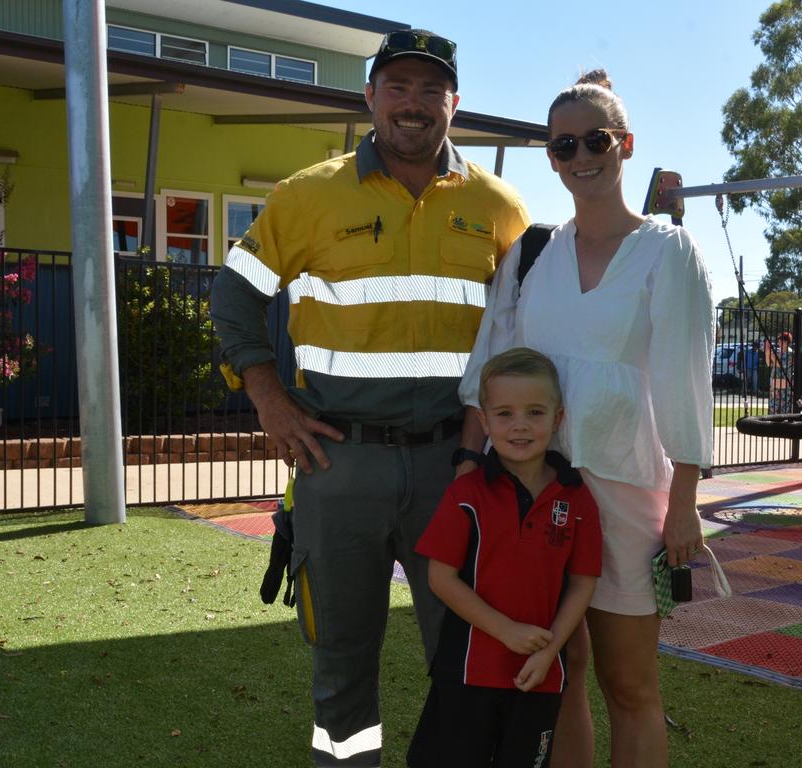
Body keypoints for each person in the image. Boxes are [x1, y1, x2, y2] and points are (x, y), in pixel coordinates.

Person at [209, 29, 529, 767]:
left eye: (429, 89)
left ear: (454, 102)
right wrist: (268, 397)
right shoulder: (309, 195)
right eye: (397, 87)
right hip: (338, 464)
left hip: (455, 469)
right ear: (370, 98)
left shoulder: (498, 206)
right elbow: (233, 296)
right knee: (341, 661)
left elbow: (520, 337)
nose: (412, 105)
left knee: (465, 657)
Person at [459, 69, 714, 768]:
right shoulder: (533, 254)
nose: (580, 158)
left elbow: (685, 381)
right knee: (559, 677)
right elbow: (490, 366)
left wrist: (685, 504)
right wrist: (468, 469)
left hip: (627, 496)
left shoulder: (667, 251)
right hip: (536, 490)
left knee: (629, 685)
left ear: (625, 145)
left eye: (594, 140)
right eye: (563, 146)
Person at [408, 347, 601, 767]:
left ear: (558, 418)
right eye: (504, 414)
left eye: (535, 412)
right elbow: (440, 578)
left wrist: (550, 653)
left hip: (539, 675)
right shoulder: (466, 493)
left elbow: (583, 582)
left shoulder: (577, 496)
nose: (519, 426)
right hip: (466, 673)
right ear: (484, 421)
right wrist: (506, 630)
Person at [764, 332, 795, 415]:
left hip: (785, 381)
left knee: (784, 404)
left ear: (786, 342)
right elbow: (768, 364)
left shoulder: (790, 353)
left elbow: (781, 365)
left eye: (781, 341)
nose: (779, 343)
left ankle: (783, 421)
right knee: (773, 404)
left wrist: (772, 355)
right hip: (775, 380)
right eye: (779, 341)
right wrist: (767, 352)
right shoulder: (778, 352)